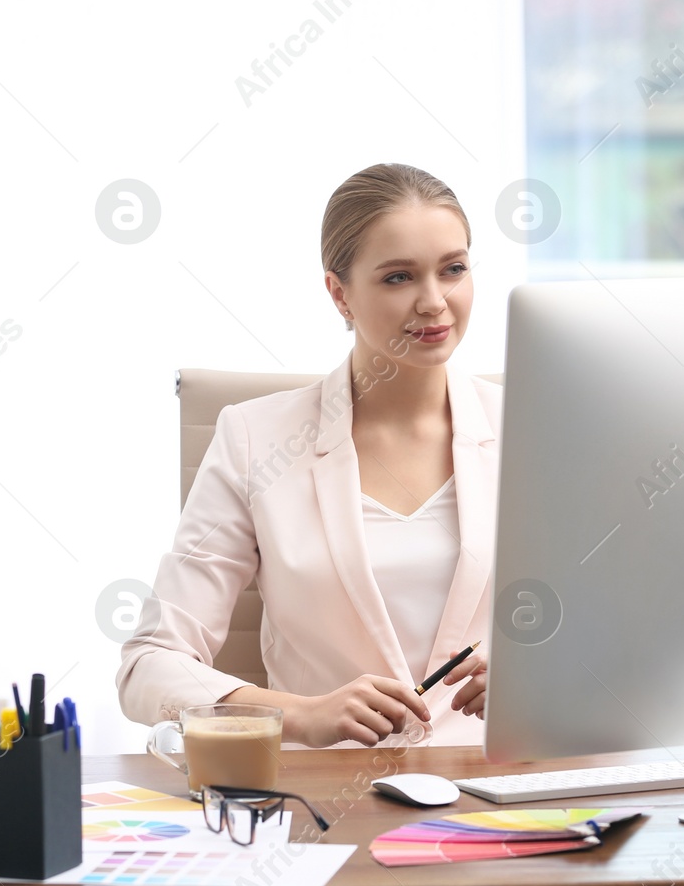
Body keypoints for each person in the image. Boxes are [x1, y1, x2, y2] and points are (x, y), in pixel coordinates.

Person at [116, 162, 501, 748]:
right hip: (319, 802)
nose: (433, 302)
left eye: (453, 269)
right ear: (339, 293)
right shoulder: (255, 439)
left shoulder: (530, 428)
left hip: (492, 796)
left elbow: (619, 634)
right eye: (398, 277)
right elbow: (149, 664)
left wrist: (540, 681)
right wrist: (301, 714)